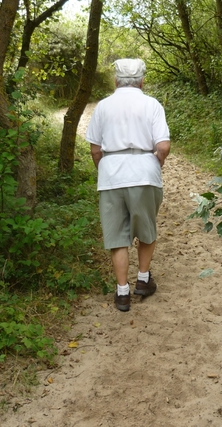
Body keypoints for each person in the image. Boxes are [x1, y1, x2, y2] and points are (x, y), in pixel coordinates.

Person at [85, 58, 171, 312]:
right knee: (147, 229)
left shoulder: (103, 107)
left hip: (111, 175)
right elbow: (163, 146)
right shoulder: (152, 104)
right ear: (142, 81)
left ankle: (122, 293)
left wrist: (104, 168)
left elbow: (95, 149)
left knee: (117, 236)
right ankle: (143, 280)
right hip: (145, 172)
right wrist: (156, 163)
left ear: (116, 80)